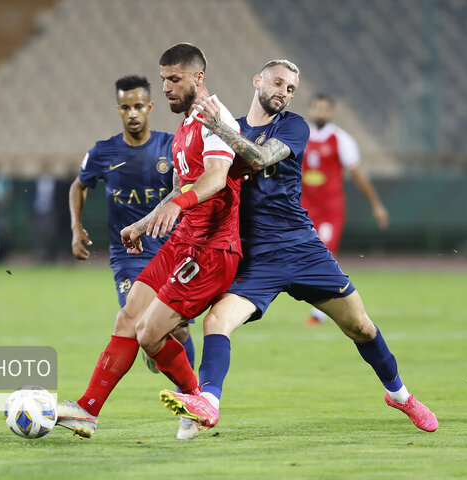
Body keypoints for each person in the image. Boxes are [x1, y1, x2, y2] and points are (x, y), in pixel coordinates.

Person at [159, 59, 438, 437]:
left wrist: (219, 128)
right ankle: (208, 402)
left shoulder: (292, 126)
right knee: (216, 322)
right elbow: (200, 183)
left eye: (291, 89)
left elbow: (258, 159)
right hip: (254, 257)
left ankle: (400, 396)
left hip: (301, 248)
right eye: (277, 83)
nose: (284, 92)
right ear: (257, 81)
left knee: (360, 326)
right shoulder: (227, 127)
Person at [57, 44, 243, 441]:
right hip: (181, 242)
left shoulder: (216, 118)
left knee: (150, 334)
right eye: (163, 80)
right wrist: (143, 223)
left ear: (198, 78)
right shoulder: (186, 124)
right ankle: (87, 411)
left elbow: (215, 178)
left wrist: (178, 204)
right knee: (128, 319)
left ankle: (197, 403)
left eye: (174, 79)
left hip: (209, 248)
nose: (166, 88)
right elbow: (180, 186)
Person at [67, 74, 195, 376]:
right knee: (139, 321)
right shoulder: (104, 152)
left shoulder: (170, 146)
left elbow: (187, 190)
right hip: (129, 257)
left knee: (180, 331)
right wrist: (76, 227)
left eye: (138, 106)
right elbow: (78, 186)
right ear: (119, 110)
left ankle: (190, 392)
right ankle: (159, 352)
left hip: (171, 252)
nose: (133, 113)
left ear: (150, 107)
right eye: (126, 108)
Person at [301, 94, 389, 325]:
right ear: (310, 110)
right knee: (305, 257)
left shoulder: (342, 140)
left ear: (331, 113)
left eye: (324, 109)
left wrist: (376, 204)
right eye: (316, 108)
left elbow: (358, 175)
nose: (320, 112)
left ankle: (320, 312)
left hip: (330, 210)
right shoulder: (299, 135)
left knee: (325, 254)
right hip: (303, 209)